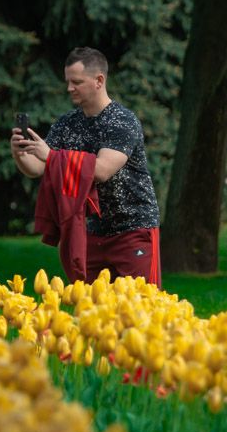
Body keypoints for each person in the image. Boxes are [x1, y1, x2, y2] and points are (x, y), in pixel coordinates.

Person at [11, 47, 160, 284]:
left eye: (76, 82)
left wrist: (50, 156)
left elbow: (101, 171)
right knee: (89, 310)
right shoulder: (67, 123)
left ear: (99, 80)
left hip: (132, 230)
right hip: (90, 231)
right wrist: (20, 152)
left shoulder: (122, 121)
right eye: (68, 81)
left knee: (141, 308)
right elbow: (39, 168)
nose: (69, 88)